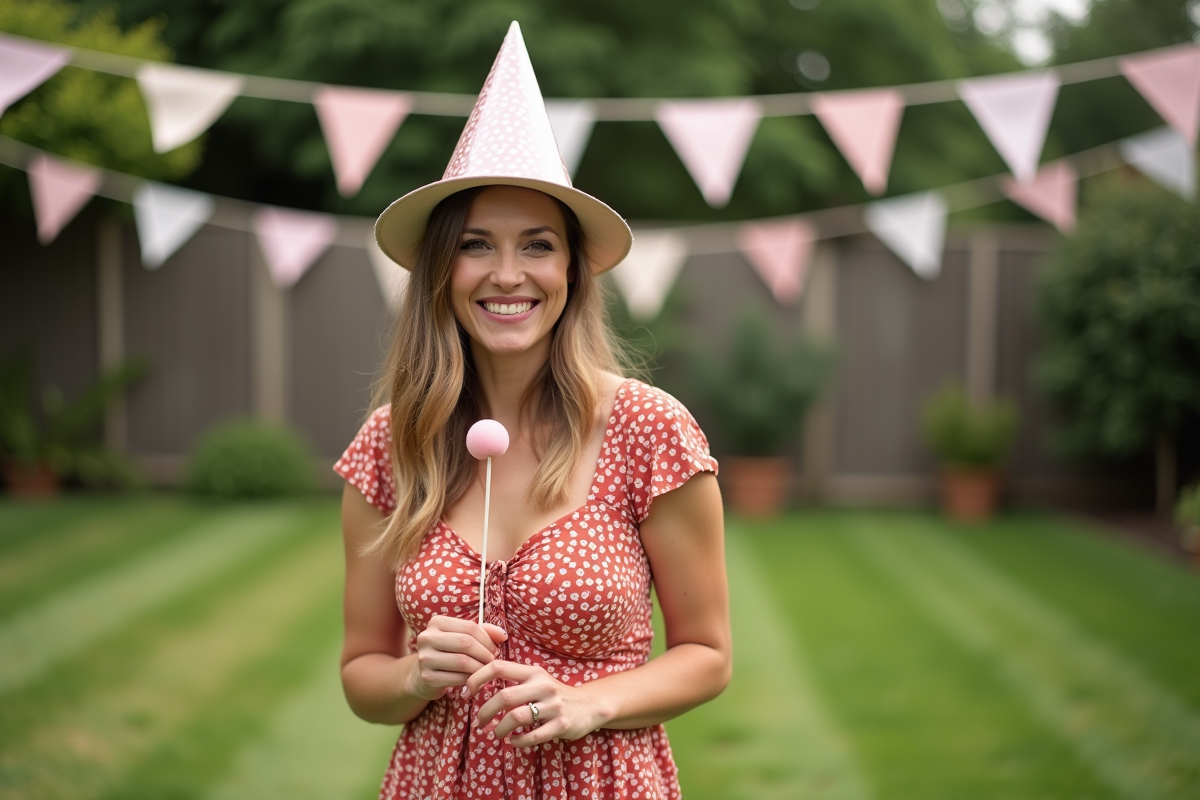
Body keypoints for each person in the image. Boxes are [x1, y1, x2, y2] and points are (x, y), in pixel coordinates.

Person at [334, 22, 729, 800]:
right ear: (441, 269)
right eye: (477, 244)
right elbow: (360, 674)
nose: (508, 274)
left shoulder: (650, 430)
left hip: (604, 781)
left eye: (539, 245)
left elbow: (709, 655)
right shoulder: (389, 445)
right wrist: (416, 674)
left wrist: (591, 701)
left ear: (574, 272)